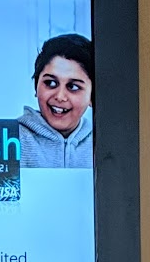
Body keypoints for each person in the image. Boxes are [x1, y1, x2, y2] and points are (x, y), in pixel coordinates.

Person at [19, 33, 94, 168]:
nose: (60, 96)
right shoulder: (10, 139)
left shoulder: (104, 142)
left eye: (73, 87)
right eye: (50, 83)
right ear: (36, 87)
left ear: (92, 97)